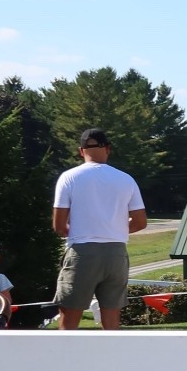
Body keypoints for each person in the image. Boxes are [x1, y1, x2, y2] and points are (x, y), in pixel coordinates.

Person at [52, 128, 147, 330]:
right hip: (116, 253)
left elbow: (59, 226)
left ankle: (64, 360)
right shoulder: (126, 179)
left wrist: (81, 231)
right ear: (108, 149)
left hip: (82, 251)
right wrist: (113, 229)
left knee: (69, 317)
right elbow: (140, 221)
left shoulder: (69, 177)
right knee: (112, 320)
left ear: (81, 150)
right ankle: (112, 360)